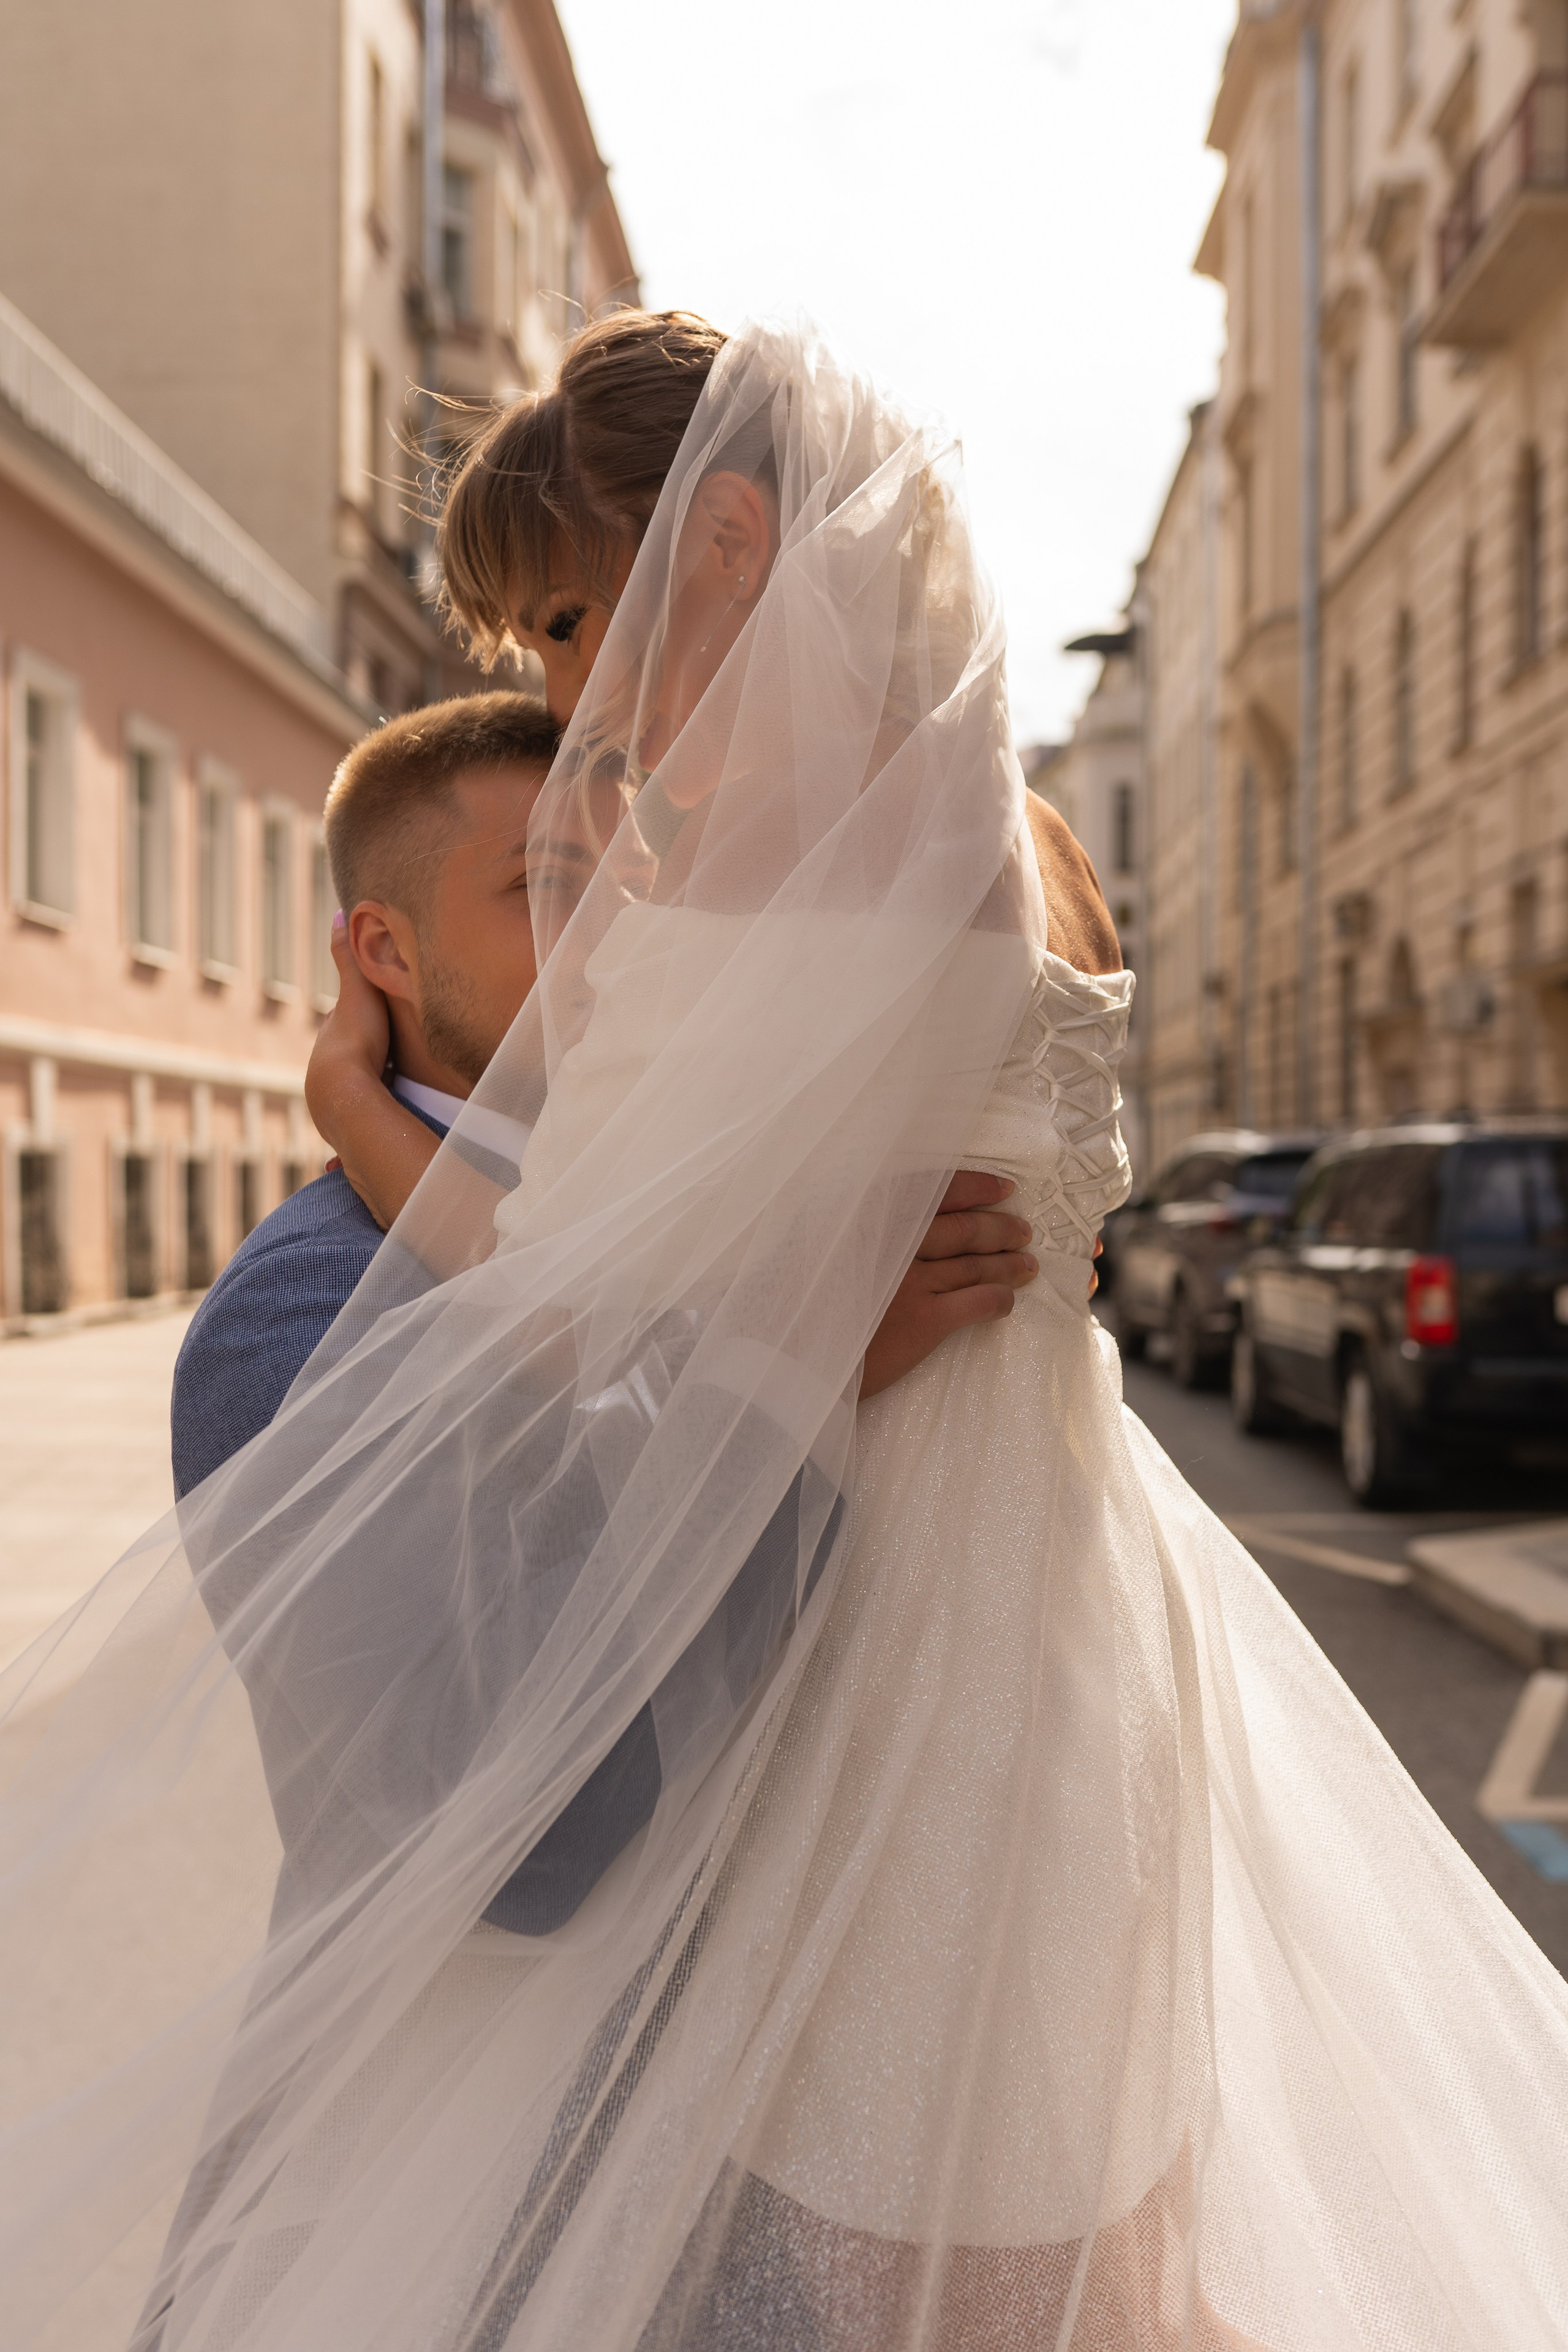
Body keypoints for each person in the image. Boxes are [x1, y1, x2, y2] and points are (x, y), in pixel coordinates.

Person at [3, 315, 1568, 2352]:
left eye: (569, 619)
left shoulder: (763, 895)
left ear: (725, 545)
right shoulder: (1016, 839)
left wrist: (359, 1118)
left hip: (888, 1662)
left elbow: (552, 1280)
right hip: (1075, 1625)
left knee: (886, 2265)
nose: (568, 701)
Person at [174, 691, 1040, 1498]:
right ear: (387, 953)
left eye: (635, 890)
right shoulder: (298, 1305)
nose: (623, 935)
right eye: (546, 885)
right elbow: (512, 1659)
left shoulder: (713, 1194)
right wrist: (795, 1370)